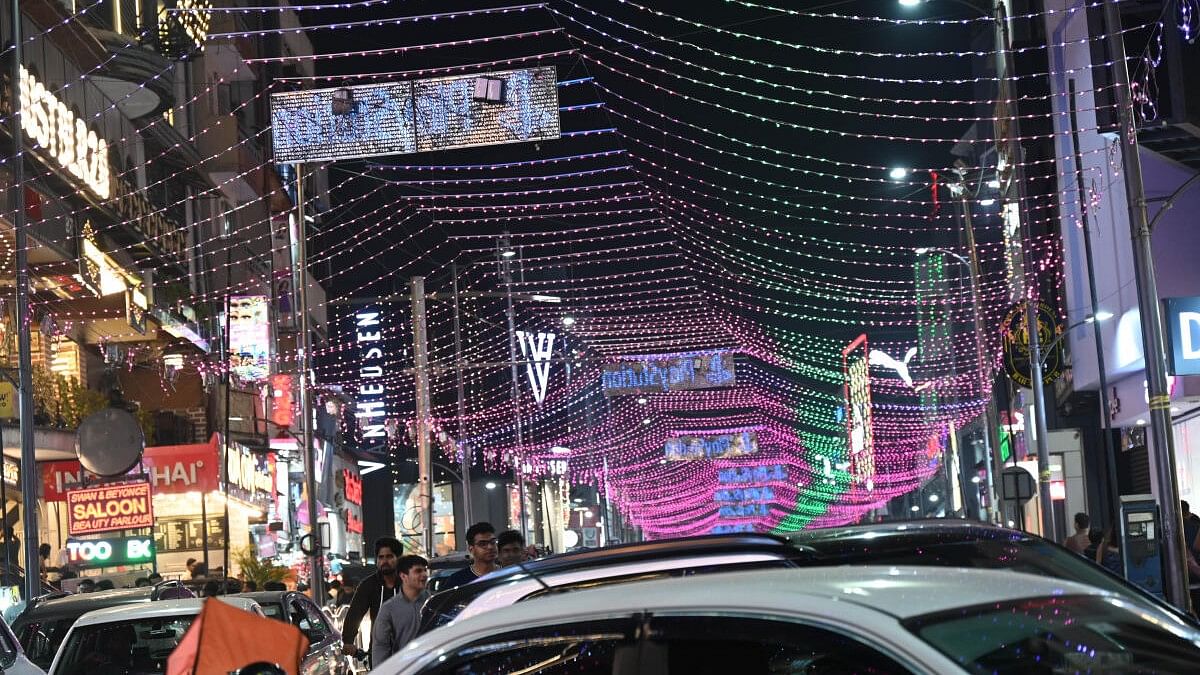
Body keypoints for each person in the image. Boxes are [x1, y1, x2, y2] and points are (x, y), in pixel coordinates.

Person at [342, 537, 403, 658]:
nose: (385, 561)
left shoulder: (408, 583)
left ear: (398, 558)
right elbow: (355, 613)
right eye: (381, 557)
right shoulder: (369, 585)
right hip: (379, 651)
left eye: (389, 556)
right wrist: (348, 641)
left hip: (407, 650)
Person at [371, 555, 430, 666]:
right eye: (418, 571)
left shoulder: (434, 603)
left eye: (425, 570)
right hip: (404, 669)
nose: (424, 575)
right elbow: (381, 646)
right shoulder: (389, 609)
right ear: (403, 576)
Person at [442, 523, 498, 590]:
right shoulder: (457, 580)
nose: (490, 547)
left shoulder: (506, 573)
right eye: (483, 544)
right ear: (471, 549)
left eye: (493, 542)